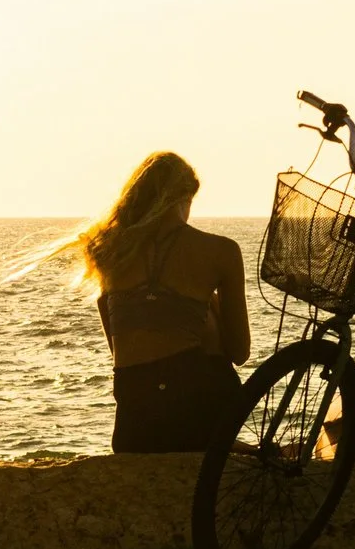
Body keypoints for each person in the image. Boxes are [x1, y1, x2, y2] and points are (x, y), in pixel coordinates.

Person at [43, 151, 251, 452]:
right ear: (184, 198)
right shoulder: (222, 251)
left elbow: (121, 350)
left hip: (133, 428)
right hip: (198, 411)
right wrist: (210, 306)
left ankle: (222, 442)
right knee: (202, 312)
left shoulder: (109, 252)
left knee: (167, 317)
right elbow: (239, 352)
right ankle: (223, 442)